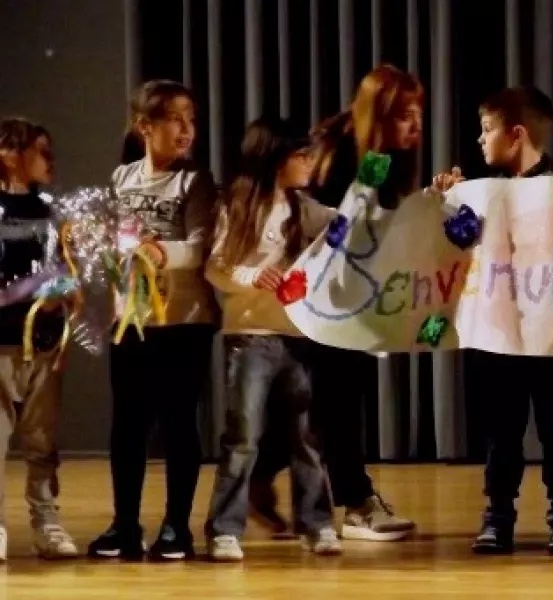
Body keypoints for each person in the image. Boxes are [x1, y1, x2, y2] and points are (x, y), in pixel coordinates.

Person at [248, 64, 419, 541]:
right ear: (380, 114)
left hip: (356, 296)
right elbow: (334, 228)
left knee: (325, 404)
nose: (416, 125)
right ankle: (356, 501)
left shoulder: (381, 157)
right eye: (405, 114)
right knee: (339, 396)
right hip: (319, 299)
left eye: (418, 113)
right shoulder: (342, 153)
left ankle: (257, 475)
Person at [439, 86, 553, 554]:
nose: (480, 141)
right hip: (500, 331)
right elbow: (458, 241)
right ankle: (498, 515)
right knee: (502, 428)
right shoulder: (482, 194)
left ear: (516, 134)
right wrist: (449, 202)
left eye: (487, 130)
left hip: (551, 333)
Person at [201, 116, 343, 561]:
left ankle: (316, 523)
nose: (309, 163)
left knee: (306, 436)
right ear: (278, 158)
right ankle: (225, 528)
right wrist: (250, 275)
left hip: (298, 337)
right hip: (250, 338)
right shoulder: (239, 206)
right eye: (302, 155)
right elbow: (215, 266)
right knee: (243, 436)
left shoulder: (305, 207)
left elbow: (350, 227)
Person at [89, 80, 219, 561]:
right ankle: (124, 525)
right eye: (175, 119)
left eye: (191, 119)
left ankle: (176, 527)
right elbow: (110, 246)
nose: (186, 129)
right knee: (127, 425)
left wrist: (159, 251)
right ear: (146, 126)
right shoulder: (122, 179)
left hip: (184, 321)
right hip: (133, 321)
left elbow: (202, 247)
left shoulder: (194, 182)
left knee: (178, 423)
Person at [0, 117, 80, 561]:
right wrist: (31, 286)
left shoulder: (52, 212)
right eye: (40, 150)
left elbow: (65, 272)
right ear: (9, 154)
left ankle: (46, 520)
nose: (50, 160)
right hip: (1, 345)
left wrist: (63, 289)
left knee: (42, 441)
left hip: (44, 346)